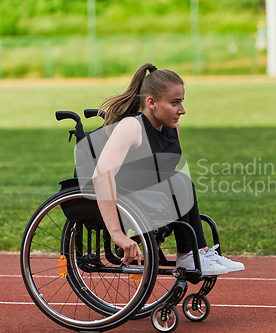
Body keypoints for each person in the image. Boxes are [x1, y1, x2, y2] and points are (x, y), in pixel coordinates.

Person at [92, 62, 244, 276]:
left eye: (181, 102)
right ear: (151, 102)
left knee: (180, 180)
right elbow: (101, 176)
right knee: (180, 181)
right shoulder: (132, 126)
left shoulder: (172, 127)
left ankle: (199, 252)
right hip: (120, 198)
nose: (182, 110)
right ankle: (188, 255)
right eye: (175, 103)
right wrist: (116, 233)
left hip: (148, 197)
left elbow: (168, 172)